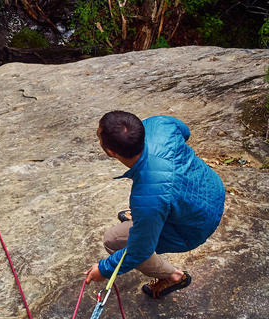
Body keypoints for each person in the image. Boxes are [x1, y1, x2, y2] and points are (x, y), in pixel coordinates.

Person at [85, 111, 225, 298]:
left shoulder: (148, 196)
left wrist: (104, 269)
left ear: (111, 152)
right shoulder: (159, 124)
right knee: (151, 209)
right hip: (211, 188)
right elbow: (185, 131)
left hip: (196, 226)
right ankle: (150, 220)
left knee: (113, 240)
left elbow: (139, 250)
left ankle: (174, 276)